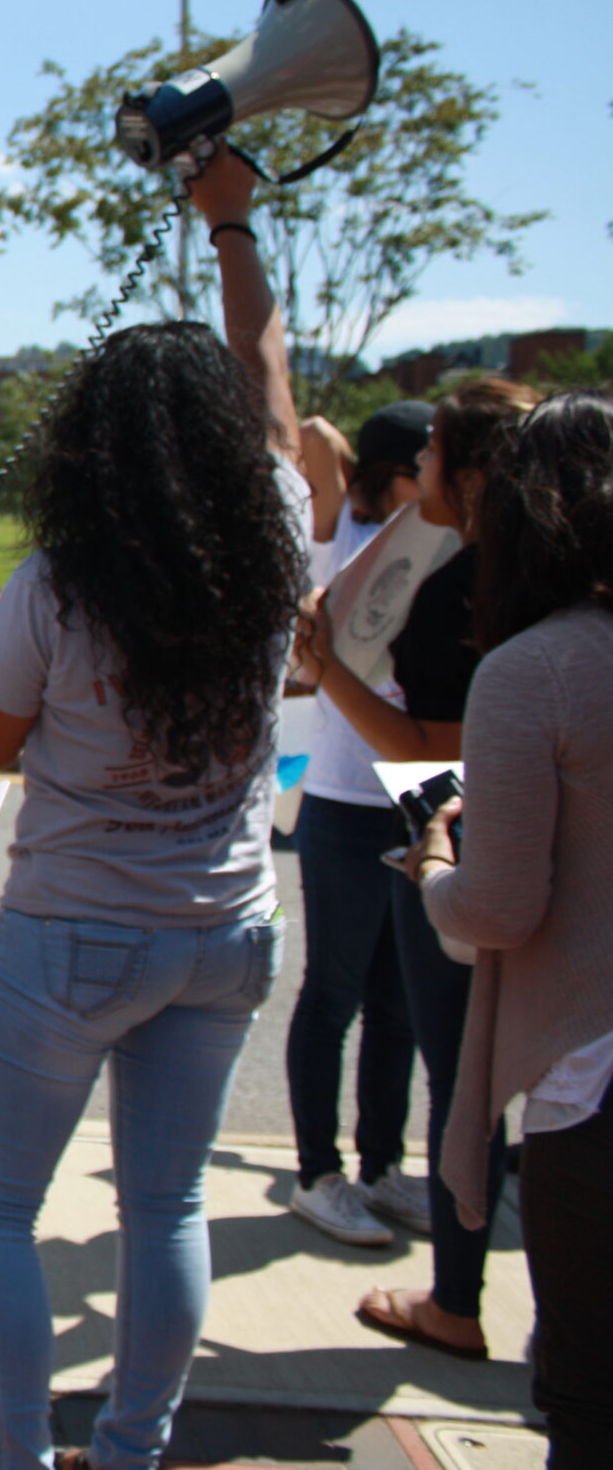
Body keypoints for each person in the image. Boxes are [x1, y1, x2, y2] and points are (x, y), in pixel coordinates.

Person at [0, 147, 309, 1470]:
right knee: (164, 1202)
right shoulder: (279, 541)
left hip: (74, 933)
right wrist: (232, 226)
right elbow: (279, 398)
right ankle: (131, 1450)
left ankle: (20, 1454)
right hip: (231, 928)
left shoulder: (62, 587)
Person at [298, 375, 539, 1360]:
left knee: (459, 1069)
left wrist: (332, 670)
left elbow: (431, 738)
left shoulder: (460, 587)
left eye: (434, 453)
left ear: (471, 473)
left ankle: (454, 1300)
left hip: (460, 843)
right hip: (518, 836)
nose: (418, 470)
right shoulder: (538, 570)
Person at [405, 388, 613, 1465]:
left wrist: (437, 862)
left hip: (592, 1083)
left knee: (581, 1395)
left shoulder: (533, 669)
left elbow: (496, 910)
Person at [281, 402, 435, 1246]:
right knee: (334, 991)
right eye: (423, 461)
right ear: (389, 474)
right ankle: (317, 1173)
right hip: (344, 802)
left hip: (418, 800)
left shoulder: (447, 554)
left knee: (399, 1002)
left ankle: (382, 1165)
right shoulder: (345, 542)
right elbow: (310, 435)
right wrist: (347, 443)